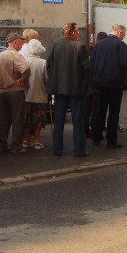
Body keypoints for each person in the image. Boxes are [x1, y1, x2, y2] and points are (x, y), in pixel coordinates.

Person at [46, 22, 91, 156]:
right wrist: (86, 85)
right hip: (76, 89)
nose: (78, 34)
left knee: (59, 120)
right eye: (77, 32)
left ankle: (57, 149)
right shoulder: (80, 46)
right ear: (72, 33)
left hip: (58, 88)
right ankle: (79, 150)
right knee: (78, 120)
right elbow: (86, 69)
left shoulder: (54, 46)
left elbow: (49, 66)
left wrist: (53, 82)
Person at [90, 24, 127, 149]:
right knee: (114, 112)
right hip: (115, 83)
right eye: (123, 35)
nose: (123, 37)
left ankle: (96, 137)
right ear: (119, 33)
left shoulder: (98, 45)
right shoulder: (121, 45)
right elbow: (126, 64)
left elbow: (92, 63)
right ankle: (111, 140)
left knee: (99, 111)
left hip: (99, 82)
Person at [0, 32, 30, 154]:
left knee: (3, 119)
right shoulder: (15, 55)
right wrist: (22, 79)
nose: (22, 44)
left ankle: (1, 145)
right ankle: (16, 146)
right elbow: (26, 69)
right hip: (15, 91)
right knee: (17, 119)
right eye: (21, 42)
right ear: (15, 42)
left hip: (2, 92)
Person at [23, 39, 49, 150]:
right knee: (38, 120)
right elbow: (47, 79)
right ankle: (37, 141)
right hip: (40, 95)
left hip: (26, 95)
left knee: (26, 119)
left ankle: (26, 140)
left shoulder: (24, 61)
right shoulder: (43, 63)